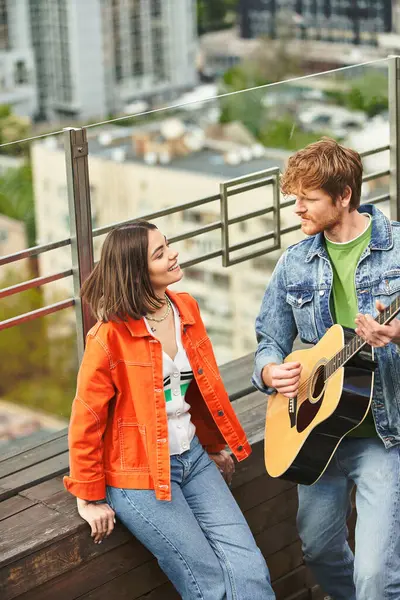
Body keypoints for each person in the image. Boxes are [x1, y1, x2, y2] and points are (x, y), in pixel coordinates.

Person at [64, 220, 275, 600]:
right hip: (140, 477)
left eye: (168, 245)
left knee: (251, 571)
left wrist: (212, 445)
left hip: (192, 459)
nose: (173, 254)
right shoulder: (109, 336)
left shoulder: (186, 308)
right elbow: (87, 421)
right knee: (208, 584)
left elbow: (199, 391)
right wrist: (90, 496)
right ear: (135, 272)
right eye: (159, 253)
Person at [252, 138, 400, 600]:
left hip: (382, 434)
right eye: (295, 198)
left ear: (344, 197)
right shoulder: (293, 261)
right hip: (315, 437)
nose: (297, 210)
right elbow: (269, 340)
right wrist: (270, 371)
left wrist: (396, 336)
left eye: (308, 199)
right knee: (318, 551)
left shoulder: (397, 251)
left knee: (376, 577)